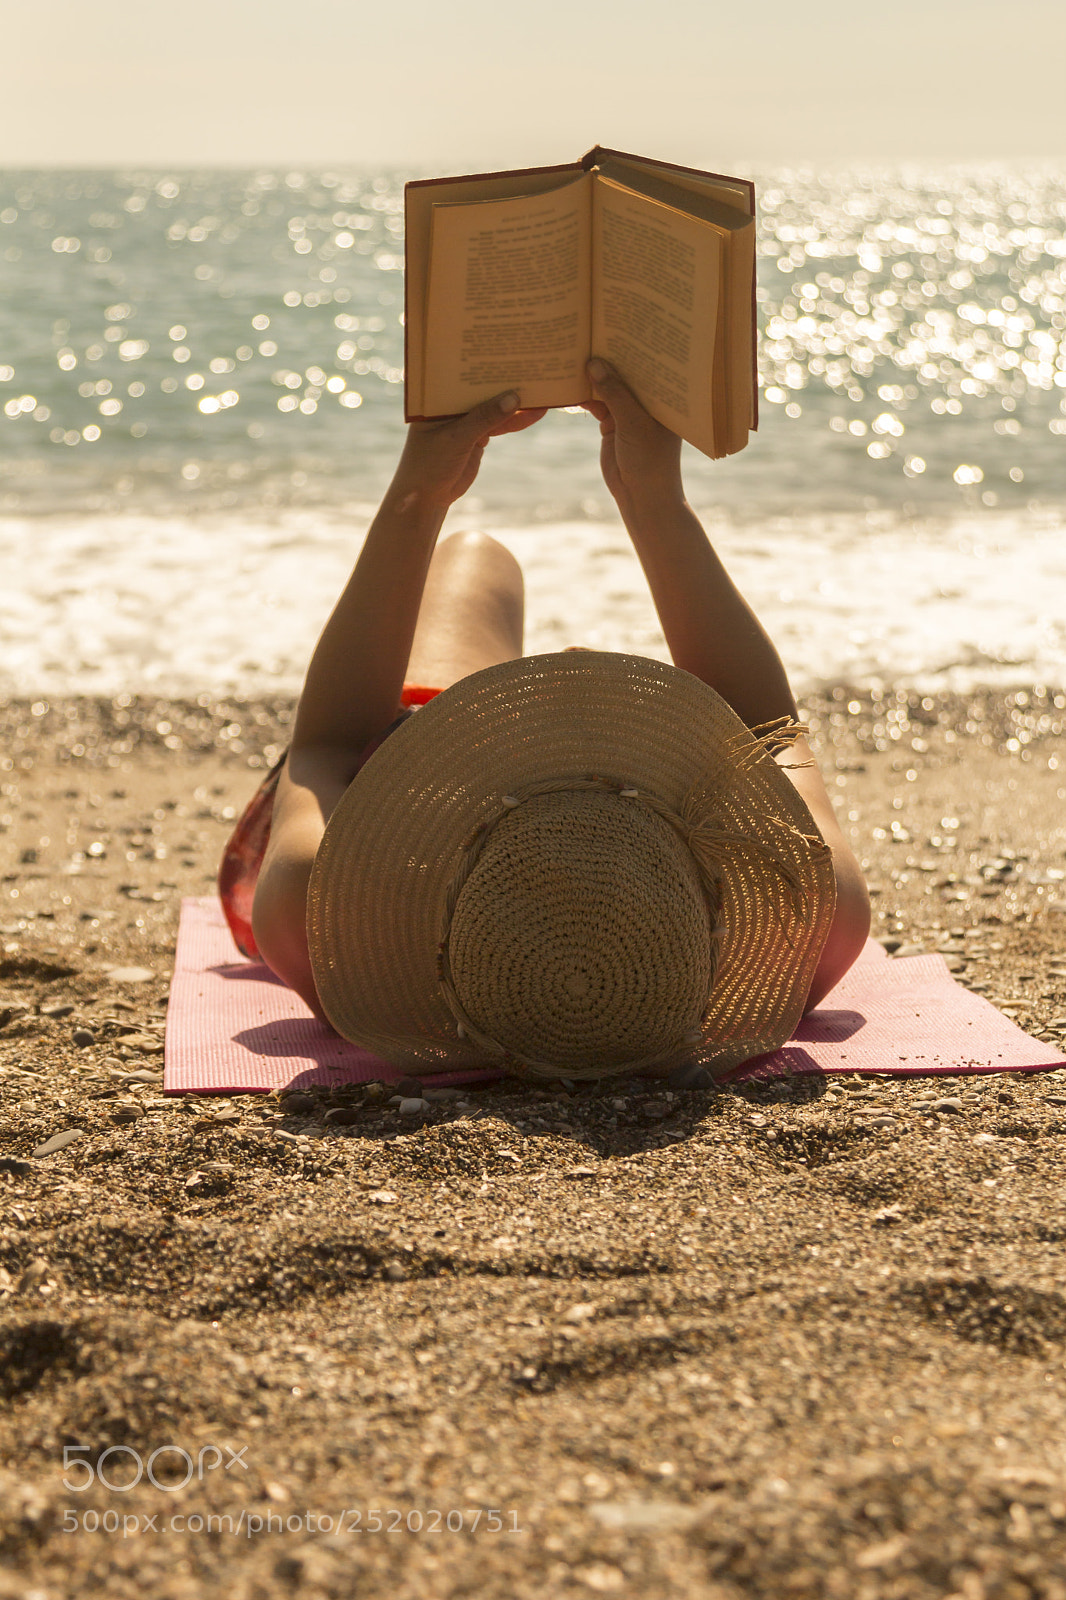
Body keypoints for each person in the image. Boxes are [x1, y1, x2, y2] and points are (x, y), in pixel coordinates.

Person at [219, 359, 870, 1085]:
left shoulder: (325, 914)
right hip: (421, 831)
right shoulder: (806, 921)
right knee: (476, 563)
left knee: (475, 556)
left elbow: (325, 745)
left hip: (389, 779)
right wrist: (653, 497)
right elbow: (767, 727)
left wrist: (421, 487)